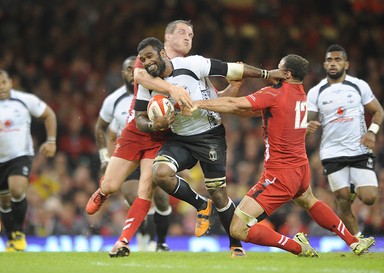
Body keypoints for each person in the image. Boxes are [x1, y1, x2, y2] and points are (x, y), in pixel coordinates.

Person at [189, 54, 375, 256]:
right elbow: (248, 111)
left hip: (279, 174)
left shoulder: (274, 94)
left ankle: (297, 247)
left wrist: (198, 103)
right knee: (308, 200)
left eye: (278, 68)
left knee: (238, 227)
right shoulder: (301, 95)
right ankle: (353, 241)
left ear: (286, 74)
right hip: (300, 169)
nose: (273, 71)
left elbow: (235, 105)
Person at [134, 37, 285, 258]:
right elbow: (139, 118)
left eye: (150, 56)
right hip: (179, 138)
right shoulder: (148, 83)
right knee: (160, 172)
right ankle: (200, 205)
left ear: (163, 53)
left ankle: (236, 246)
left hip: (209, 136)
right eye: (143, 59)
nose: (147, 62)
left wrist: (267, 74)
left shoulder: (192, 64)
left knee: (219, 193)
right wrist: (152, 124)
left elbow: (232, 69)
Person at [86, 20, 198, 257]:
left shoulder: (192, 67)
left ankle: (123, 242)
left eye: (190, 34)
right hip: (136, 132)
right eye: (182, 33)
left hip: (161, 139)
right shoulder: (146, 65)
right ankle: (103, 192)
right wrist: (169, 95)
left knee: (145, 191)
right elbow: (138, 93)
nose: (187, 37)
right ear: (167, 40)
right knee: (111, 185)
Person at [307, 44, 384, 236]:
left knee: (369, 197)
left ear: (346, 64)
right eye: (329, 60)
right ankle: (358, 241)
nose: (333, 64)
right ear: (325, 64)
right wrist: (307, 126)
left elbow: (378, 111)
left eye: (338, 60)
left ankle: (352, 186)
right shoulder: (316, 92)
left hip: (358, 149)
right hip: (332, 151)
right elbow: (307, 120)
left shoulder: (359, 86)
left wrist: (372, 132)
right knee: (342, 199)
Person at [94, 56, 171, 251]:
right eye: (128, 70)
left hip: (153, 149)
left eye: (133, 69)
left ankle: (160, 242)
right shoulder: (113, 100)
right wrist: (106, 157)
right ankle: (146, 240)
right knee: (131, 194)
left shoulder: (156, 91)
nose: (131, 73)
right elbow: (104, 130)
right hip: (129, 153)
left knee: (160, 197)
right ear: (123, 73)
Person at [0, 69, 57, 252]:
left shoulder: (24, 100)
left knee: (17, 189)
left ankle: (18, 233)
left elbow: (49, 114)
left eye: (3, 82)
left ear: (11, 82)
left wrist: (51, 141)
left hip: (20, 155)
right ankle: (12, 240)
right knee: (4, 202)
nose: (1, 87)